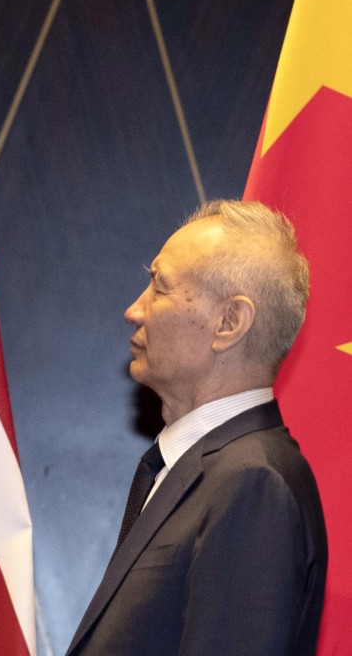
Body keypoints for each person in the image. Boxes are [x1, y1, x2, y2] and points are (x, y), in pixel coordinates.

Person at [66, 200, 327, 655]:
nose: (134, 310)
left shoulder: (252, 484)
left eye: (159, 287)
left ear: (229, 323)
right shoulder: (205, 468)